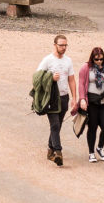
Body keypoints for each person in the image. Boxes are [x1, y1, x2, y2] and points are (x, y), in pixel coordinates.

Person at [32, 34, 82, 166]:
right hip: (52, 98)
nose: (64, 47)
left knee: (58, 125)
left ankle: (50, 150)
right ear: (55, 45)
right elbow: (36, 78)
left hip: (64, 97)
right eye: (61, 45)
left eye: (65, 45)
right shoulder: (47, 60)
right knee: (54, 125)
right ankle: (58, 152)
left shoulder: (68, 61)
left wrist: (74, 98)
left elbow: (71, 79)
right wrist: (50, 77)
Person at [81, 46, 104, 161]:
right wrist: (82, 98)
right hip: (92, 102)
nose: (98, 61)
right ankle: (91, 152)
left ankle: (100, 147)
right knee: (92, 127)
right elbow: (81, 84)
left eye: (101, 59)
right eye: (96, 59)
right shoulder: (86, 68)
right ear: (92, 58)